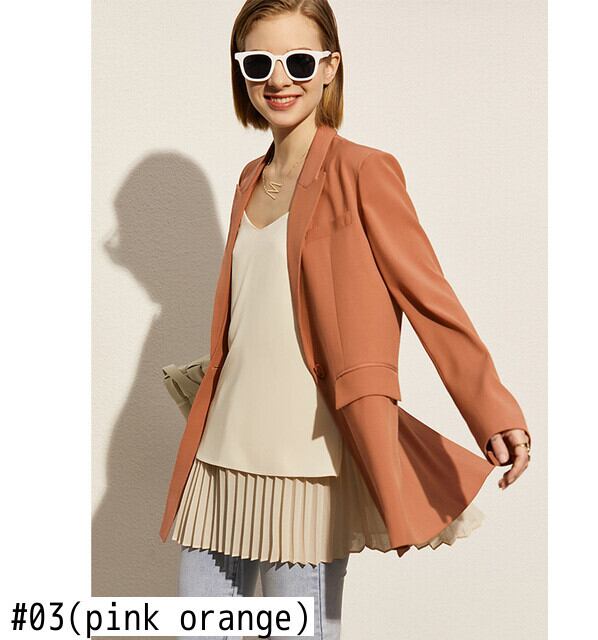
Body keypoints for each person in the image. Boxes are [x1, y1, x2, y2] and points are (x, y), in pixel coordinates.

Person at [165, 2, 531, 638]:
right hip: (219, 452)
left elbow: (429, 296)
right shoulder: (250, 179)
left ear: (330, 68)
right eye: (259, 63)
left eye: (299, 61)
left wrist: (492, 410)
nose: (279, 79)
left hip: (306, 460)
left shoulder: (363, 170)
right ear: (241, 72)